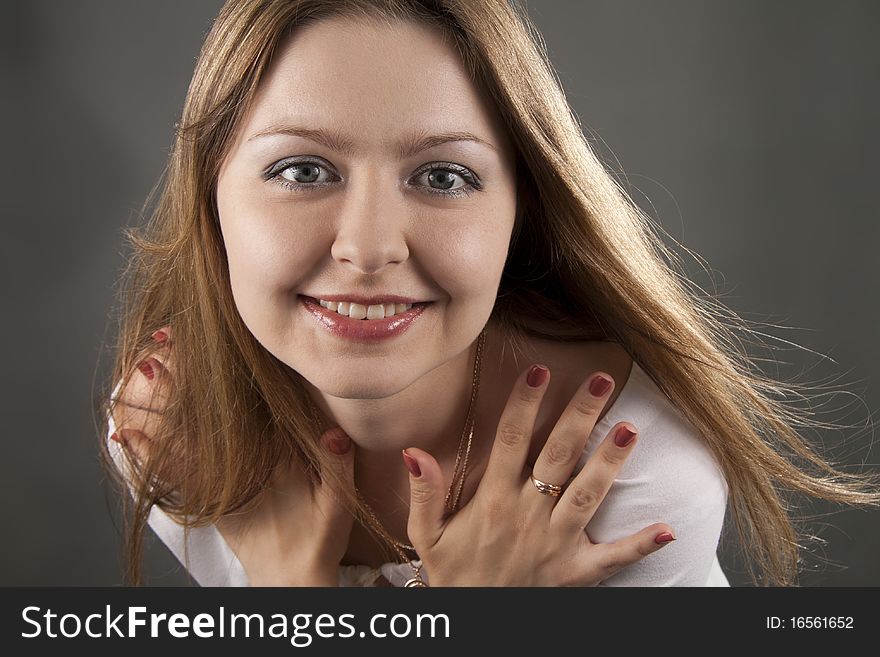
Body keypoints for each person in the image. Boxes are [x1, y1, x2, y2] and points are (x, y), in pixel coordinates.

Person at [102, 0, 879, 587]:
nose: (369, 249)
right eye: (302, 170)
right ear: (210, 196)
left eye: (444, 176)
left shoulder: (623, 485)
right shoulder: (172, 438)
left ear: (520, 211)